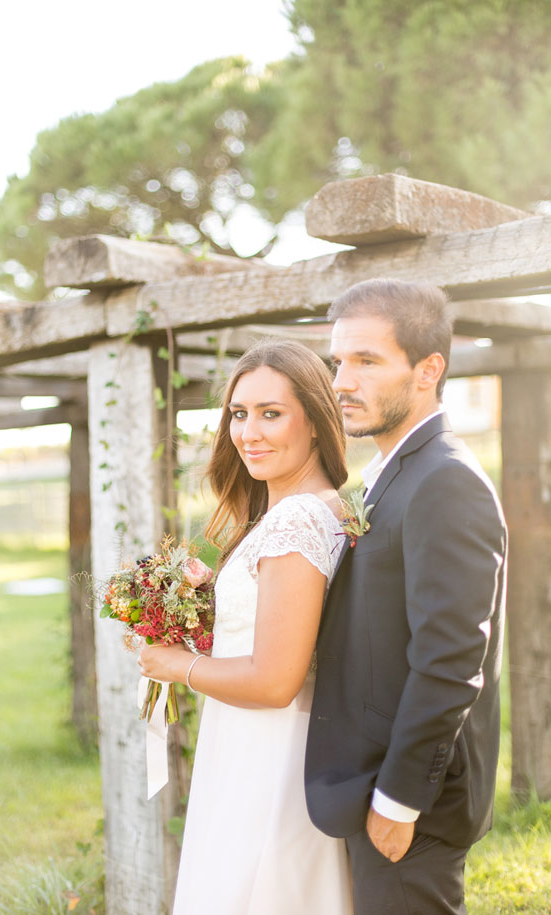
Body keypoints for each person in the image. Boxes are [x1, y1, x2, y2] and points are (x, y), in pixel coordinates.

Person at [305, 278, 507, 914]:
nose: (342, 381)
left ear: (429, 369)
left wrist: (397, 801)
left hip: (407, 803)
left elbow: (451, 659)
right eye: (339, 362)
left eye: (367, 361)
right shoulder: (394, 476)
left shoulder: (445, 481)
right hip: (369, 782)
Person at [139, 339, 354, 915]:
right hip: (262, 747)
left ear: (315, 421)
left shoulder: (296, 520)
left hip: (267, 756)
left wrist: (175, 665)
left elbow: (274, 680)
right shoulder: (322, 508)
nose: (249, 433)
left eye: (271, 413)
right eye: (239, 413)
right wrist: (203, 608)